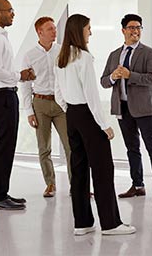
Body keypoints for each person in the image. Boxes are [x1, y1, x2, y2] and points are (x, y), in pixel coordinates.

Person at [54, 14, 136, 235]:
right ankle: (111, 224)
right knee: (103, 169)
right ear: (79, 31)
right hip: (88, 116)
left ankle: (82, 223)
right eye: (88, 28)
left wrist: (69, 110)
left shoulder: (61, 57)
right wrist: (104, 125)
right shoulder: (83, 57)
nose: (91, 32)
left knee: (79, 169)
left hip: (72, 114)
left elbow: (58, 92)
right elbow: (91, 95)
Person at [100, 14, 152, 202]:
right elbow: (104, 81)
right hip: (123, 107)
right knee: (132, 148)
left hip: (144, 109)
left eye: (138, 28)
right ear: (123, 30)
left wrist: (130, 75)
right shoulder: (114, 55)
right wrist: (113, 76)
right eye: (131, 27)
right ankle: (137, 185)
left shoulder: (149, 53)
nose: (135, 31)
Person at [0, 0, 35, 210]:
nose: (13, 14)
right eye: (9, 11)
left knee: (7, 145)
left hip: (4, 94)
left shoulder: (0, 37)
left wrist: (18, 77)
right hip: (1, 96)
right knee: (4, 145)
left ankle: (2, 193)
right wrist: (19, 75)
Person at [21, 16, 71, 198]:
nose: (54, 31)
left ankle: (77, 185)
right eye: (50, 29)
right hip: (40, 103)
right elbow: (25, 85)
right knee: (44, 147)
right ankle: (50, 184)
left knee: (70, 145)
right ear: (39, 32)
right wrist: (29, 111)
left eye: (54, 28)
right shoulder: (29, 55)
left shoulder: (62, 52)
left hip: (61, 103)